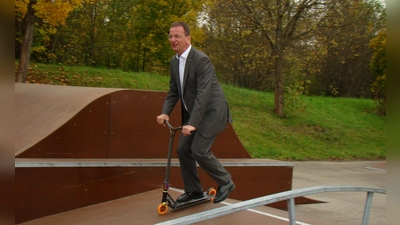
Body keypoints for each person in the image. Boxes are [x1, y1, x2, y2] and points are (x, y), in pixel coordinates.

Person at [156, 22, 234, 204]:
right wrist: (165, 112)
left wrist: (193, 123)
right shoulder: (174, 62)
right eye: (170, 36)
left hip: (212, 112)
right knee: (183, 149)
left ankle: (226, 181)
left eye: (177, 36)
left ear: (188, 38)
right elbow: (174, 90)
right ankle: (194, 191)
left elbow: (203, 94)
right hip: (195, 113)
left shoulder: (201, 60)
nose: (173, 40)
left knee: (198, 149)